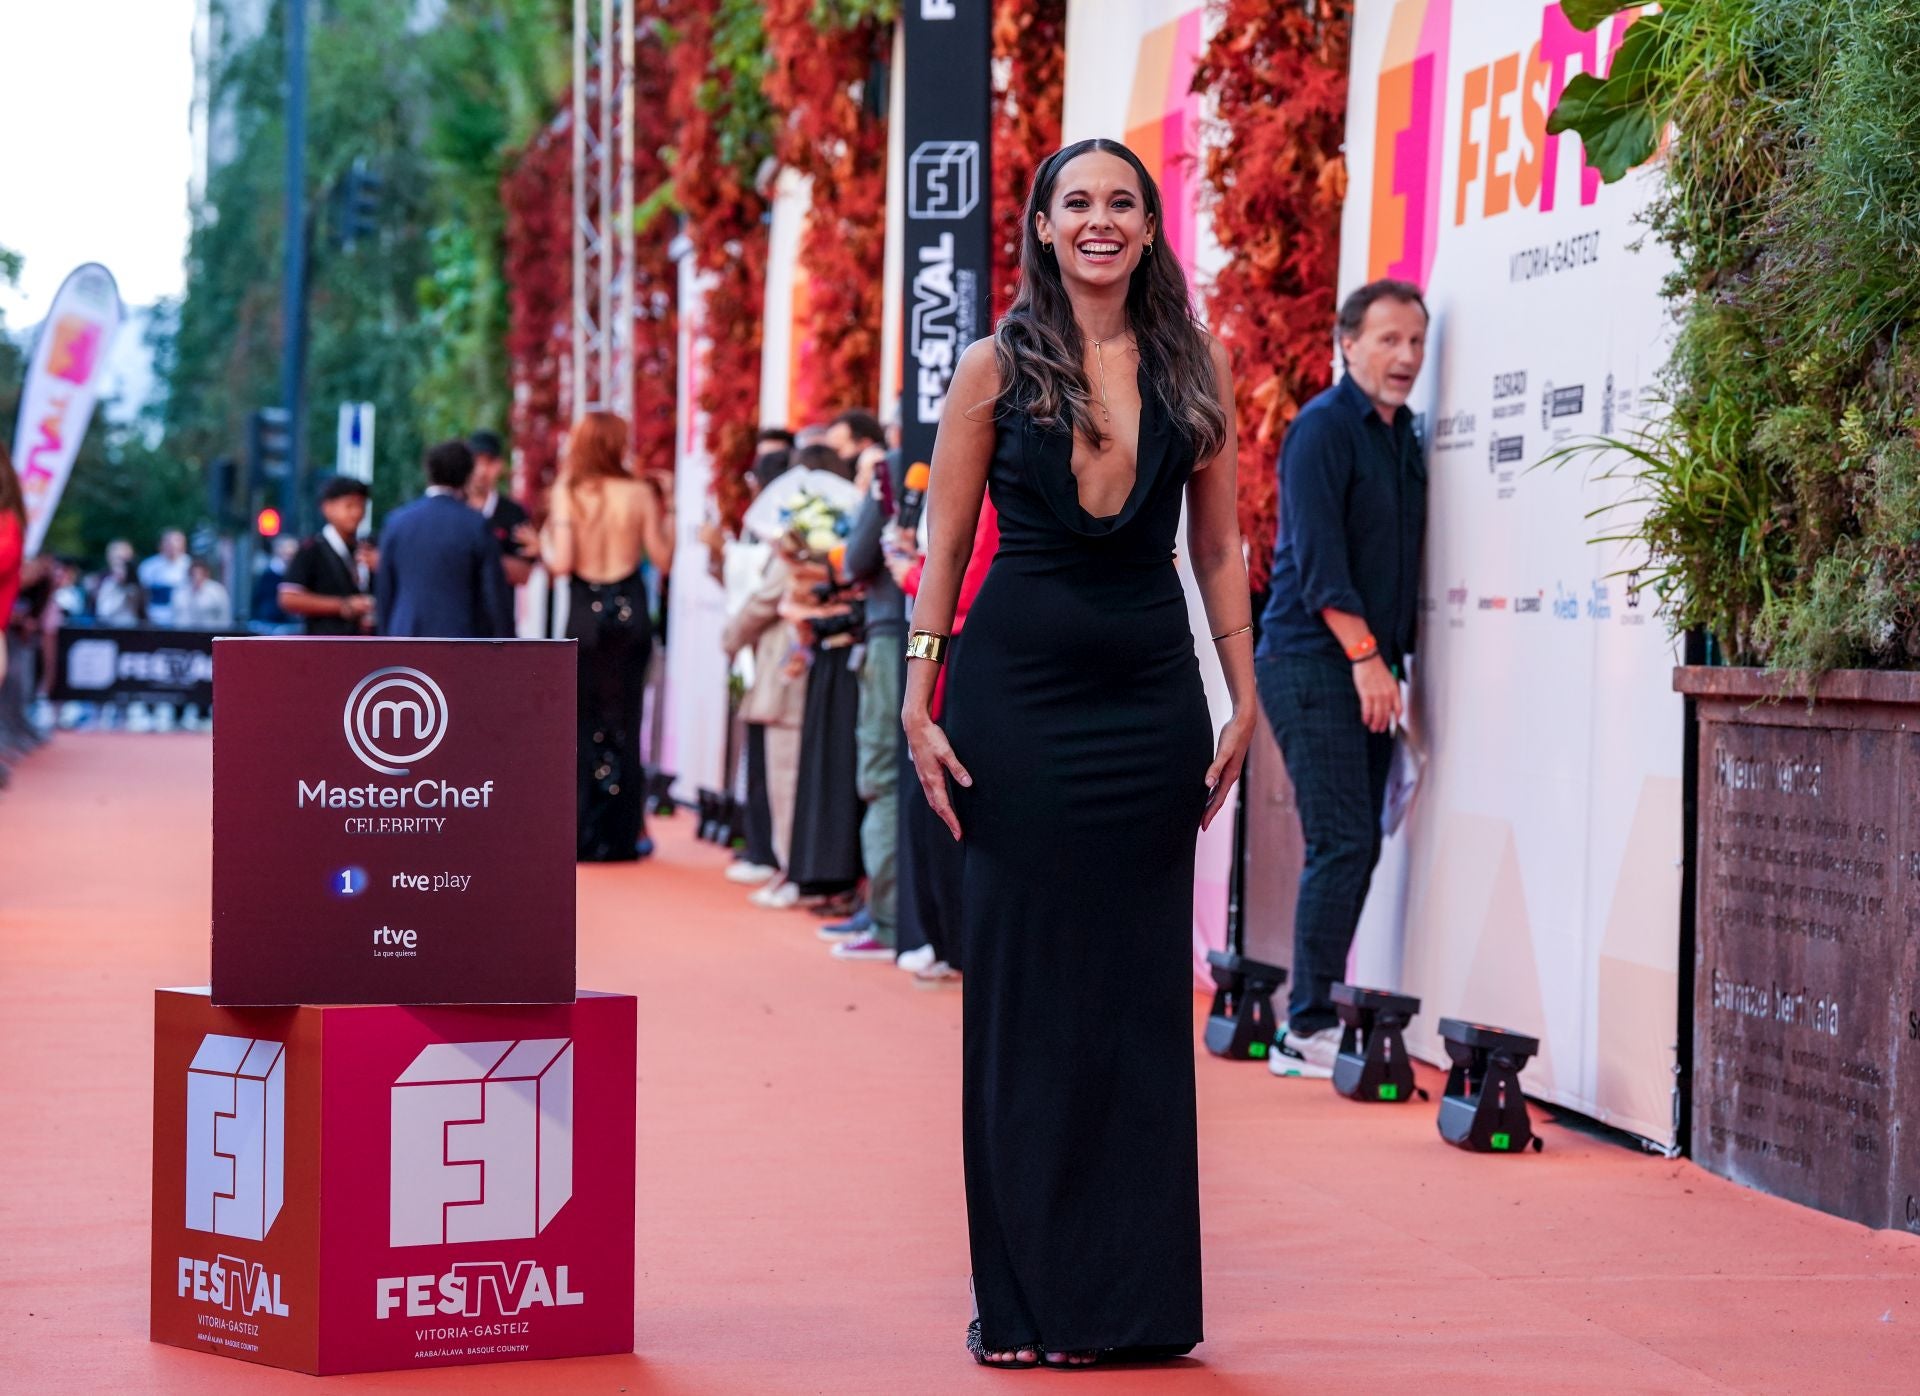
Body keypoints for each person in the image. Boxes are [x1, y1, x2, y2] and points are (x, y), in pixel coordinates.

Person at [903, 138, 1255, 1368]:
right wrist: (917, 693)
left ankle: (1133, 1306)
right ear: (1044, 229)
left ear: (1151, 228)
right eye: (1077, 204)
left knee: (1135, 1005)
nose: (1099, 221)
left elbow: (1216, 551)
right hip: (1017, 707)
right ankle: (1025, 1301)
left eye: (1122, 202)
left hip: (1151, 708)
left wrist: (1242, 698)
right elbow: (944, 552)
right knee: (1022, 1002)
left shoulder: (1194, 366)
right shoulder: (995, 369)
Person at [1254, 278, 1428, 1079]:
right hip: (1311, 661)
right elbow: (1321, 563)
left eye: (1417, 342)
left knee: (1354, 844)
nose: (1406, 357)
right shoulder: (1323, 429)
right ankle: (1305, 1023)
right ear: (1347, 343)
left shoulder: (1403, 437)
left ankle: (1315, 1012)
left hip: (1367, 668)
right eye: (1389, 339)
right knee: (1342, 838)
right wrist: (1366, 661)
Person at [539, 411, 674, 862]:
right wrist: (667, 505)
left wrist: (544, 538)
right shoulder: (637, 493)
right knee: (625, 720)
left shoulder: (568, 492)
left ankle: (583, 833)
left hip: (584, 615)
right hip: (630, 610)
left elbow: (561, 564)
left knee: (582, 723)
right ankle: (624, 834)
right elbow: (663, 557)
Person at [820, 410, 904, 961]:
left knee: (882, 776)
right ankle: (898, 916)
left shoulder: (892, 471)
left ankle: (890, 919)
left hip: (893, 635)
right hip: (938, 632)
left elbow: (854, 559)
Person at [778, 442, 866, 914]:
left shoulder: (860, 517)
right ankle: (818, 875)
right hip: (830, 650)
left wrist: (829, 578)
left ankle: (843, 882)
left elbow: (856, 566)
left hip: (852, 650)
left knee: (845, 768)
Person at [375, 441, 511, 639]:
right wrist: (507, 646)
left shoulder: (396, 522)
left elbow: (385, 590)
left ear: (428, 472)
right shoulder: (476, 524)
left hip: (404, 636)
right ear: (468, 474)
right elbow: (494, 596)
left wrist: (383, 642)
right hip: (461, 640)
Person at [280, 476, 376, 635]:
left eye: (361, 506)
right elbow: (288, 598)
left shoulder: (369, 547)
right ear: (327, 507)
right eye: (349, 506)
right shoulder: (311, 549)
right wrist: (343, 606)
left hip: (366, 641)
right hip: (325, 641)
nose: (356, 513)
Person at [468, 429, 537, 623]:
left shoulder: (514, 513)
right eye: (476, 461)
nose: (481, 470)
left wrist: (476, 558)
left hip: (499, 622)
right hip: (457, 622)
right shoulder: (452, 511)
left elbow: (524, 573)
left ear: (499, 465)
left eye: (489, 462)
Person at [138, 529, 192, 627]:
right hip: (155, 618)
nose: (173, 546)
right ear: (161, 544)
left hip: (184, 619)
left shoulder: (191, 565)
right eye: (169, 542)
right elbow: (143, 594)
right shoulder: (148, 566)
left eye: (177, 542)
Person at [93, 541, 144, 626]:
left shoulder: (137, 583)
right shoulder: (102, 580)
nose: (118, 565)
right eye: (116, 559)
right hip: (105, 626)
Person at [250, 537, 299, 626]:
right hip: (270, 622)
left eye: (292, 554)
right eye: (287, 553)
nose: (289, 557)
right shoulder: (268, 573)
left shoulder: (298, 573)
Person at [178, 558, 233, 629]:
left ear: (206, 574)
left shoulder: (218, 591)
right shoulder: (180, 592)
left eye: (200, 574)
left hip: (211, 633)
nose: (197, 577)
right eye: (194, 574)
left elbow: (225, 616)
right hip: (185, 633)